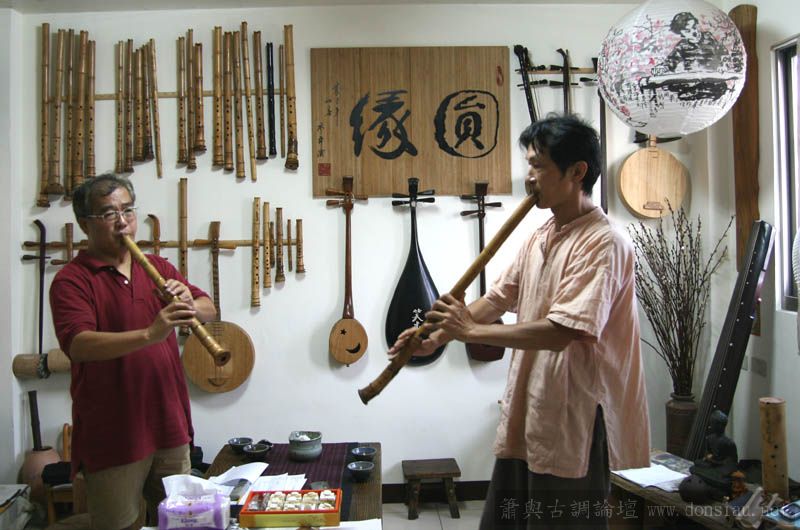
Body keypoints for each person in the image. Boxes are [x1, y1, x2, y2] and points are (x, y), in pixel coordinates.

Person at [390, 115, 651, 529]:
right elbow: (498, 298)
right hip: (533, 404)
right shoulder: (541, 234)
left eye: (539, 166)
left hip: (578, 415)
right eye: (530, 165)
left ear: (577, 172)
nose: (529, 177)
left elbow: (563, 332)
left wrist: (469, 331)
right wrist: (435, 339)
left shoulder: (604, 243)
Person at [50, 174, 216, 530]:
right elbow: (78, 344)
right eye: (109, 214)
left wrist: (190, 302)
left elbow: (209, 309)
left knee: (182, 523)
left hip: (170, 427)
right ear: (85, 223)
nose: (123, 222)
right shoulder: (72, 280)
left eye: (127, 210)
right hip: (114, 437)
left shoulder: (158, 267)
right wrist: (150, 333)